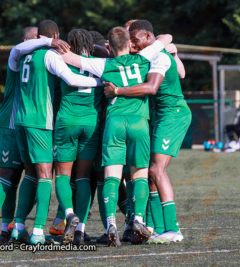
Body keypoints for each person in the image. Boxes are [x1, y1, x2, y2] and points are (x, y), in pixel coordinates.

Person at [61, 26, 172, 247]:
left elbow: (69, 58)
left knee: (111, 176)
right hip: (139, 122)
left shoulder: (103, 64)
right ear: (130, 44)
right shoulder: (143, 57)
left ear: (109, 47)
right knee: (139, 175)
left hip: (114, 123)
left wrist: (55, 43)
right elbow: (166, 38)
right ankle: (138, 219)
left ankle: (111, 224)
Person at [13, 19, 103, 245]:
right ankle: (79, 227)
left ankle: (31, 224)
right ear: (54, 36)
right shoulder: (99, 62)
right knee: (82, 177)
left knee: (52, 175)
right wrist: (104, 81)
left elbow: (17, 49)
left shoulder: (36, 55)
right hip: (89, 121)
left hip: (53, 120)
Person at [0, 27, 70, 244]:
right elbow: (20, 46)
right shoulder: (19, 56)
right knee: (9, 175)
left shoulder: (40, 58)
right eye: (37, 40)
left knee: (26, 176)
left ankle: (10, 227)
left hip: (23, 124)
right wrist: (47, 42)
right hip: (9, 123)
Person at [104, 20, 191, 244]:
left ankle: (172, 228)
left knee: (156, 169)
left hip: (173, 114)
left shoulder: (159, 56)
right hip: (159, 116)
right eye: (129, 40)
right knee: (147, 172)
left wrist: (117, 91)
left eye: (135, 39)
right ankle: (156, 227)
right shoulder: (147, 57)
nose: (131, 44)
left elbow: (154, 86)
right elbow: (179, 71)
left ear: (149, 37)